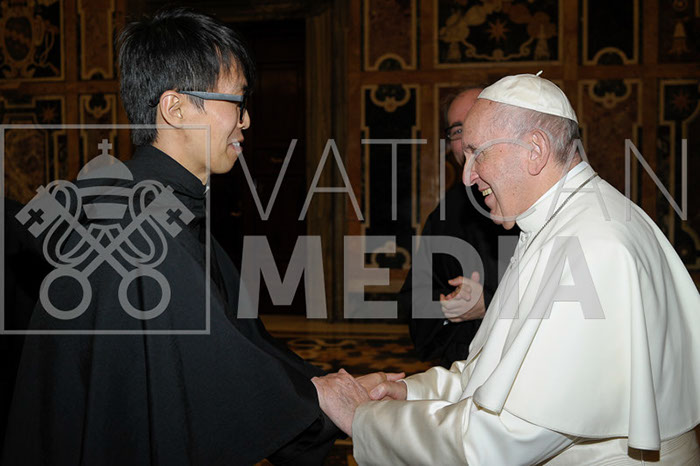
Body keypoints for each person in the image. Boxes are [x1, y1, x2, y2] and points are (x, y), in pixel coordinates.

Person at [3, 8, 345, 465]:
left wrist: (321, 387)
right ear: (176, 108)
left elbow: (240, 342)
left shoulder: (152, 205)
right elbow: (216, 381)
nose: (245, 121)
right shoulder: (137, 228)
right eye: (236, 102)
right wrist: (322, 403)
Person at [312, 73, 700, 464]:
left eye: (478, 153)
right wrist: (414, 393)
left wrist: (365, 418)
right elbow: (494, 373)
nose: (467, 175)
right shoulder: (557, 223)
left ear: (535, 149)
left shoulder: (593, 246)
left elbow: (501, 441)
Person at [398, 87, 518, 368]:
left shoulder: (532, 198)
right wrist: (448, 307)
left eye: (477, 123)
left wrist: (490, 303)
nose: (467, 139)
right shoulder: (444, 216)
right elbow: (415, 298)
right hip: (463, 367)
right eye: (457, 130)